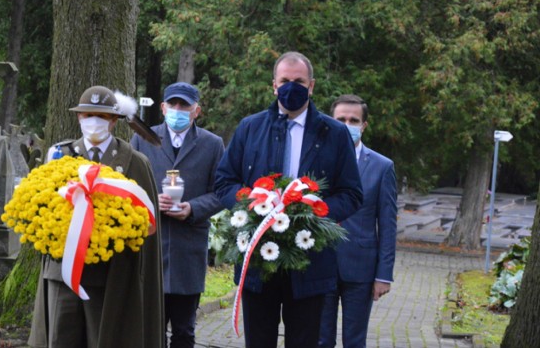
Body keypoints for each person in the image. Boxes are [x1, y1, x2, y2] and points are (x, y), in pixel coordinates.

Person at [215, 52, 363, 348]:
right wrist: (252, 203)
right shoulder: (250, 128)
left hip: (311, 264)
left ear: (311, 86)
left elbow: (352, 194)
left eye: (299, 81)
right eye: (285, 81)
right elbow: (224, 181)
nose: (291, 87)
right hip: (258, 262)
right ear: (273, 85)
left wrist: (313, 213)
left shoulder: (334, 133)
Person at [28, 85, 164, 348]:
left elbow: (148, 226)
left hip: (111, 276)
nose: (94, 122)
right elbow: (39, 209)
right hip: (63, 273)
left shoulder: (135, 163)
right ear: (79, 118)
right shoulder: (59, 156)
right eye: (88, 115)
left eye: (101, 117)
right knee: (61, 339)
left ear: (114, 121)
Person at [131, 82, 225, 348]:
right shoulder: (141, 138)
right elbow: (126, 186)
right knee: (151, 330)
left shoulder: (212, 144)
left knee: (184, 331)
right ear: (162, 108)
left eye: (185, 105)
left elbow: (221, 192)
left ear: (197, 111)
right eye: (173, 104)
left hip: (188, 250)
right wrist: (150, 201)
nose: (178, 110)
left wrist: (193, 208)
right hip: (151, 248)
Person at [319, 94, 398, 348]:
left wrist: (384, 275)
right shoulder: (316, 159)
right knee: (320, 340)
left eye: (354, 120)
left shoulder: (382, 167)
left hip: (361, 269)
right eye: (341, 119)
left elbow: (387, 224)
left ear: (364, 125)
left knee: (354, 341)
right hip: (320, 263)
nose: (347, 124)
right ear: (331, 121)